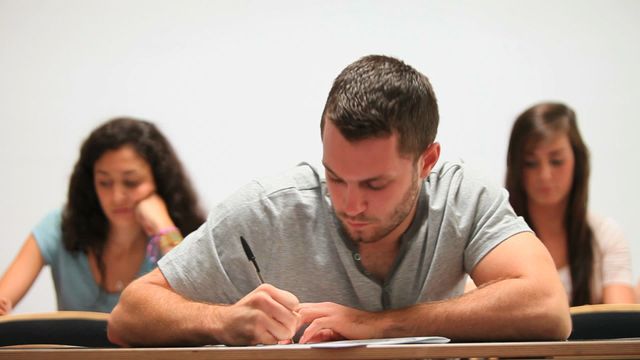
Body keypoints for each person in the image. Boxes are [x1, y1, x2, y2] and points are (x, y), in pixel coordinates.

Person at [108, 55, 571, 346]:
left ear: (427, 161)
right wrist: (222, 321)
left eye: (374, 185)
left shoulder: (462, 196)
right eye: (335, 176)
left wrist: (377, 323)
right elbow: (128, 315)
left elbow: (548, 308)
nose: (350, 203)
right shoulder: (269, 209)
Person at [0, 117, 205, 315]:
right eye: (104, 183)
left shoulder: (182, 234)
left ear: (159, 180)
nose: (117, 197)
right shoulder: (59, 226)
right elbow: (4, 297)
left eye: (131, 182)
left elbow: (200, 306)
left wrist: (164, 228)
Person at [505, 102, 635, 305]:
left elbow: (622, 322)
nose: (545, 175)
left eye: (556, 161)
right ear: (516, 167)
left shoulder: (605, 236)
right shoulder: (498, 237)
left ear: (578, 160)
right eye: (531, 163)